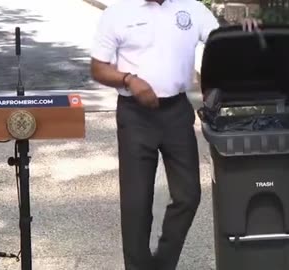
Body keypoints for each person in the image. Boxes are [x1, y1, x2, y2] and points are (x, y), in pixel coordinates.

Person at [90, 0, 260, 269]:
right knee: (136, 204)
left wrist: (243, 30)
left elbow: (221, 43)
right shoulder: (118, 12)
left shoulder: (191, 8)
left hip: (177, 111)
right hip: (135, 116)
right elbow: (98, 68)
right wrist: (129, 80)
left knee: (188, 195)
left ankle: (162, 264)